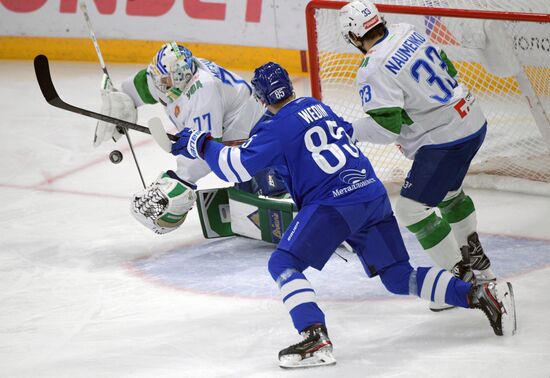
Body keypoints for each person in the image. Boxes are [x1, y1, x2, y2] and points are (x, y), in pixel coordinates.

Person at [169, 62, 516, 368]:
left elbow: (235, 166)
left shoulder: (272, 129)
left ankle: (314, 337)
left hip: (332, 204)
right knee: (398, 276)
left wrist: (199, 143)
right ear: (289, 87)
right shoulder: (318, 106)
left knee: (282, 265)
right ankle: (479, 295)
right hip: (371, 193)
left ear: (260, 100)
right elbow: (308, 143)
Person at [339, 1, 496, 310]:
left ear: (355, 36)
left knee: (411, 211)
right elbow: (449, 70)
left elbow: (386, 129)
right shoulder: (406, 31)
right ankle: (476, 256)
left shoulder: (372, 68)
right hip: (472, 119)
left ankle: (460, 281)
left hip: (445, 139)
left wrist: (349, 131)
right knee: (449, 193)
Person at [93, 41, 265, 234]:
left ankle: (271, 185)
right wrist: (124, 97)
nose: (159, 83)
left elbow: (206, 148)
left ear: (181, 77)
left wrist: (181, 180)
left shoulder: (203, 91)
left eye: (164, 81)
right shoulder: (175, 75)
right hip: (233, 125)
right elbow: (148, 82)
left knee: (248, 169)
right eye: (159, 77)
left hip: (252, 132)